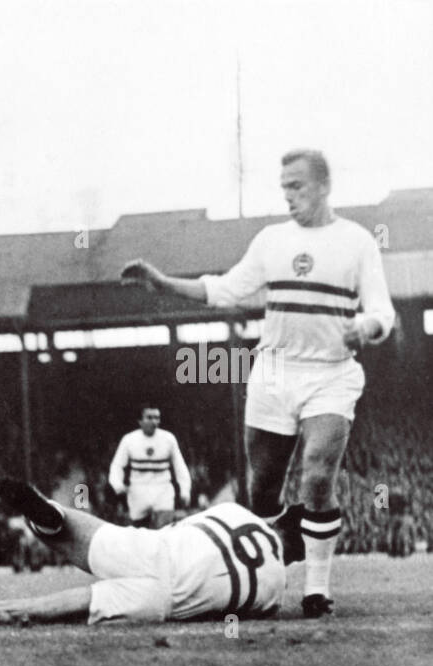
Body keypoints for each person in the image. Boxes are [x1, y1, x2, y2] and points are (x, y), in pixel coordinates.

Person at [121, 148, 395, 617]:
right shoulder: (271, 240)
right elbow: (225, 289)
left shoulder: (357, 242)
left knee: (316, 472)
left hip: (330, 374)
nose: (287, 195)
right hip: (273, 374)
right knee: (263, 489)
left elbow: (382, 310)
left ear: (324, 186)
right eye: (283, 186)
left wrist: (365, 328)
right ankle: (270, 571)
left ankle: (316, 589)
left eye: (297, 186)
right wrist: (163, 282)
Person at [0, 478, 284, 631]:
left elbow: (182, 527)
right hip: (162, 601)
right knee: (17, 613)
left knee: (71, 529)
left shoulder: (233, 510)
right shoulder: (277, 586)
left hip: (150, 550)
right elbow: (252, 610)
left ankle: (48, 515)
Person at [108, 405, 191, 528]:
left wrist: (185, 490)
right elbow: (117, 465)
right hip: (138, 491)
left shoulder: (168, 439)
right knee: (140, 534)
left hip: (162, 490)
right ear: (140, 421)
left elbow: (180, 467)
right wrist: (117, 485)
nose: (154, 421)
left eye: (157, 418)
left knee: (165, 532)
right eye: (149, 417)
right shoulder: (129, 440)